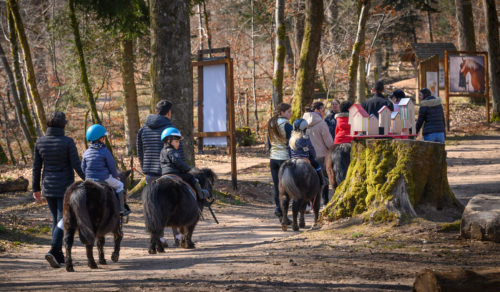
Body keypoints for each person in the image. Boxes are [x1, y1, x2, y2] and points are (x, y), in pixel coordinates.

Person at [32, 111, 85, 268]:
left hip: (48, 187)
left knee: (57, 219)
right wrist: (87, 179)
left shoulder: (40, 142)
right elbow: (76, 164)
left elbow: (36, 167)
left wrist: (36, 188)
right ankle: (53, 250)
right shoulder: (67, 142)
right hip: (65, 188)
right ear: (64, 125)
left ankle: (59, 256)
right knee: (63, 219)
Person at [82, 124, 129, 216]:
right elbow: (112, 167)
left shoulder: (86, 152)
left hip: (89, 180)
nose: (104, 139)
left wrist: (88, 177)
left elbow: (83, 168)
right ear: (100, 139)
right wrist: (116, 177)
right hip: (104, 178)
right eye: (103, 137)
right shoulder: (105, 151)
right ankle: (121, 209)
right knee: (120, 185)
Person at [137, 100, 180, 184]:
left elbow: (140, 152)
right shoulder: (171, 130)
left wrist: (145, 169)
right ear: (169, 113)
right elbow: (178, 153)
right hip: (168, 175)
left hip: (150, 175)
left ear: (156, 112)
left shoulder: (143, 129)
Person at [160, 127, 209, 199]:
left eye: (179, 142)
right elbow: (178, 162)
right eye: (176, 141)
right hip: (175, 173)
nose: (178, 144)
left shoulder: (162, 151)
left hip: (164, 174)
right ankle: (200, 194)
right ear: (168, 141)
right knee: (192, 178)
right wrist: (187, 169)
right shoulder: (172, 151)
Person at [303, 101, 333, 206]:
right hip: (321, 155)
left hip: (306, 155)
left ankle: (308, 203)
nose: (324, 113)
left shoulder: (302, 123)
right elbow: (328, 142)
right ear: (317, 110)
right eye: (323, 110)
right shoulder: (321, 124)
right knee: (323, 179)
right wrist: (332, 148)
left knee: (308, 179)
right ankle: (325, 202)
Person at [267, 103, 293, 218]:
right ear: (282, 112)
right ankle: (285, 210)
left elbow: (269, 142)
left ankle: (278, 207)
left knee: (277, 185)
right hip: (284, 158)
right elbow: (291, 143)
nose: (290, 114)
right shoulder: (287, 125)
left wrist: (271, 151)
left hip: (273, 158)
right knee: (287, 186)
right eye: (288, 112)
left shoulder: (271, 123)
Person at [289, 119, 324, 186]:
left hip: (293, 160)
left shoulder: (291, 139)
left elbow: (289, 152)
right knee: (317, 166)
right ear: (304, 129)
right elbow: (312, 151)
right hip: (304, 159)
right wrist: (313, 156)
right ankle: (322, 182)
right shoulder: (305, 139)